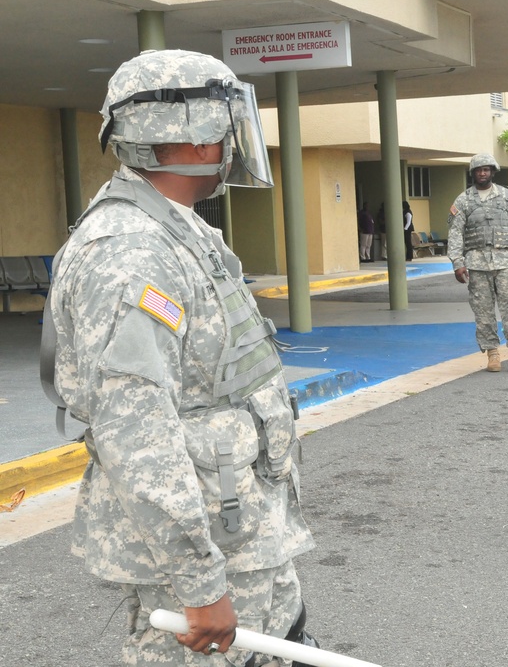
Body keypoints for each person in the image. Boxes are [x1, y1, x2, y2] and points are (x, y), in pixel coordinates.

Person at [46, 49, 316, 666]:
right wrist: (200, 584)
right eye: (225, 124)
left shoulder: (181, 227)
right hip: (206, 543)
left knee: (279, 645)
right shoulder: (134, 253)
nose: (233, 140)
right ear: (192, 139)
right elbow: (134, 428)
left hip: (241, 523)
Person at [447, 153, 508, 373]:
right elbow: (456, 233)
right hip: (477, 265)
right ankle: (493, 355)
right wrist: (457, 262)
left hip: (505, 263)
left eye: (486, 169)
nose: (483, 173)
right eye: (478, 170)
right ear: (473, 173)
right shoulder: (463, 201)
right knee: (483, 311)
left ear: (492, 172)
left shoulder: (507, 197)